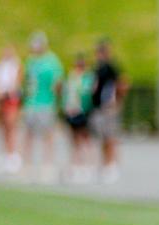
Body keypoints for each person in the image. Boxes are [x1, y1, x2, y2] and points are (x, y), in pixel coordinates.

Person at [21, 32, 64, 183]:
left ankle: (48, 166)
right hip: (31, 104)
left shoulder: (52, 61)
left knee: (47, 135)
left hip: (46, 103)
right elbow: (26, 82)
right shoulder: (31, 61)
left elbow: (58, 83)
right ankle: (27, 166)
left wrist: (58, 100)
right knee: (28, 135)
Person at [90, 39, 127, 183]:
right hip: (98, 106)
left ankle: (112, 164)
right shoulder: (97, 68)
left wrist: (117, 102)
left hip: (108, 106)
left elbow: (122, 83)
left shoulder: (111, 68)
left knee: (110, 137)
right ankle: (104, 164)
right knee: (102, 137)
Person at [62, 53, 96, 183]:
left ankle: (88, 166)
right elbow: (67, 95)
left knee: (86, 139)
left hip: (83, 112)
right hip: (71, 112)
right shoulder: (71, 77)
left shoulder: (88, 78)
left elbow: (87, 95)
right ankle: (76, 165)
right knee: (74, 140)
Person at [0, 44, 23, 172]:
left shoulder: (16, 65)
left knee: (11, 126)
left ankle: (13, 154)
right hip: (0, 99)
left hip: (10, 99)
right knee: (3, 127)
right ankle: (6, 153)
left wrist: (4, 94)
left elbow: (16, 84)